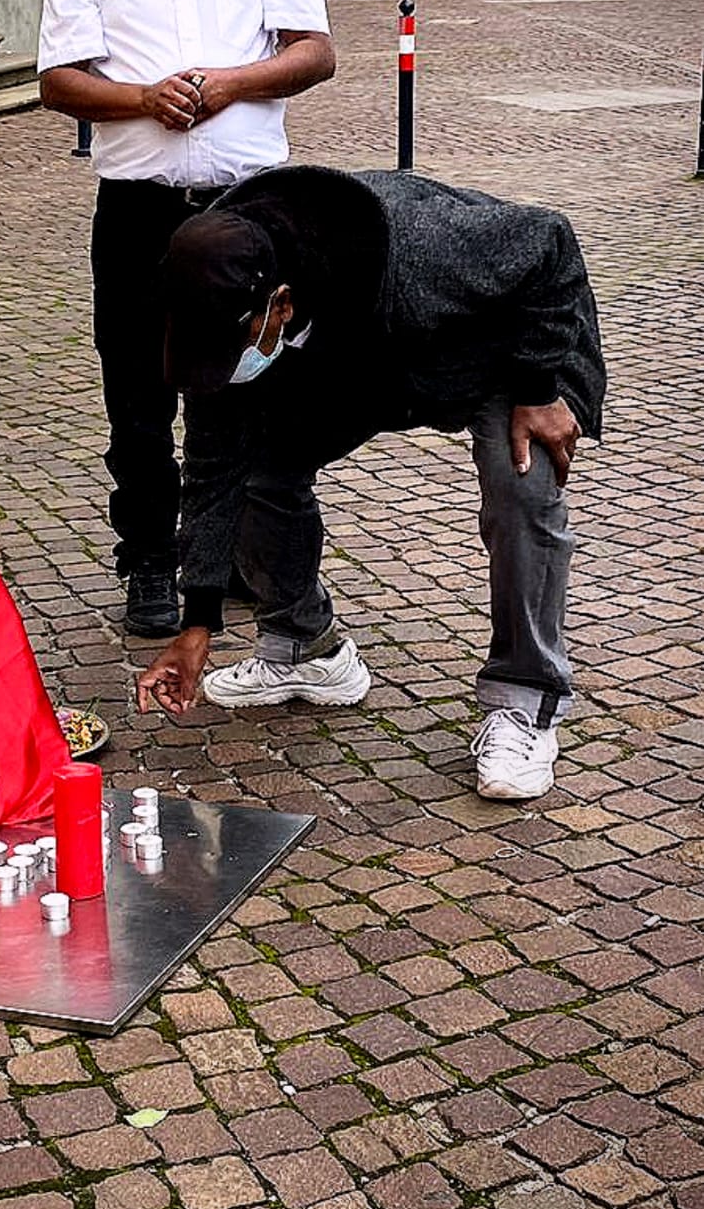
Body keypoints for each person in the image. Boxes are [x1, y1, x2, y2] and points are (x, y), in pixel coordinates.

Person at [134, 164, 606, 801]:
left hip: (504, 355)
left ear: (281, 304)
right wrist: (197, 623)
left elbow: (549, 240)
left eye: (233, 348)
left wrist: (539, 387)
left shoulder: (417, 245)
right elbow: (212, 473)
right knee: (256, 473)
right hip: (365, 361)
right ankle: (306, 649)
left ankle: (525, 701)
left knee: (522, 485)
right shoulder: (212, 300)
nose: (225, 367)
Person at [38, 0, 335, 638]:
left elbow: (314, 53)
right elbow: (58, 81)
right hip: (137, 214)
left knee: (248, 388)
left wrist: (230, 83)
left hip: (249, 213)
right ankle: (147, 562)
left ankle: (237, 554)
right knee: (137, 397)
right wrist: (141, 98)